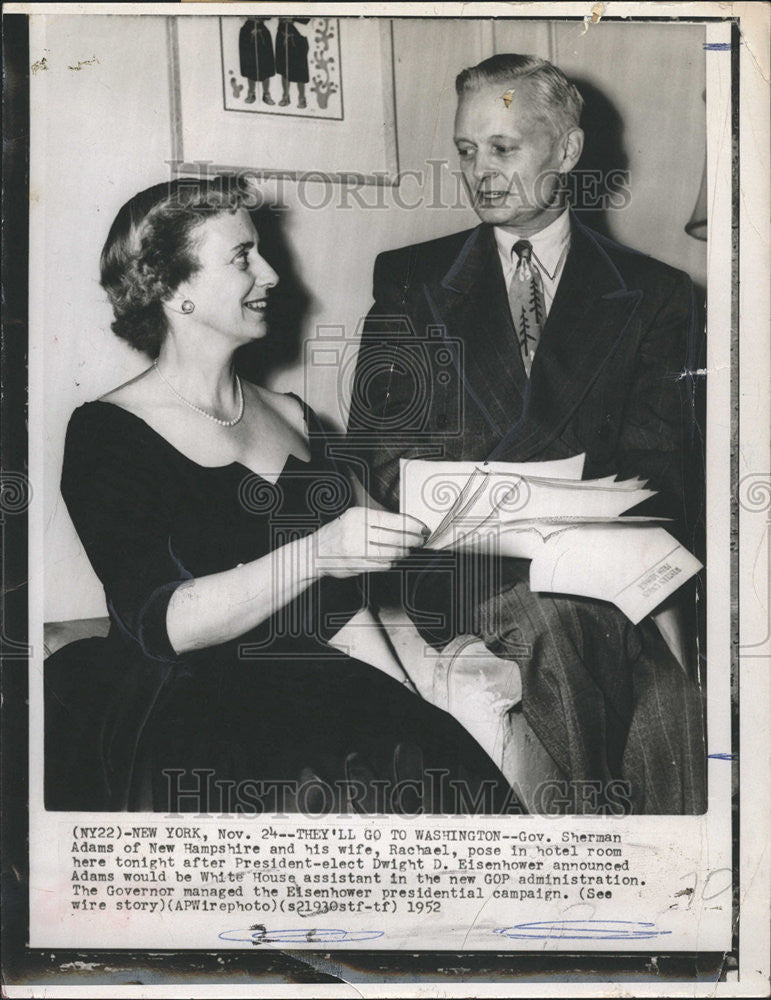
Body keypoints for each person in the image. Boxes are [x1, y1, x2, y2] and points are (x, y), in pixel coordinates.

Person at [44, 177, 516, 815]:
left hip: (312, 679)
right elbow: (164, 624)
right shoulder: (106, 433)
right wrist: (318, 552)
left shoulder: (292, 415)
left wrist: (410, 696)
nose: (269, 273)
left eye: (261, 251)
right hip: (188, 707)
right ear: (173, 289)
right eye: (242, 257)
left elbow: (333, 606)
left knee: (435, 763)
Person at [347, 54, 707, 814]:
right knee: (557, 623)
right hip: (461, 572)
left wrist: (569, 526)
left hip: (606, 570)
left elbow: (662, 473)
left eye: (503, 148)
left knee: (669, 712)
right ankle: (575, 882)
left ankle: (668, 893)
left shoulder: (654, 295)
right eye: (467, 150)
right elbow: (382, 462)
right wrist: (542, 512)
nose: (481, 171)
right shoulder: (410, 282)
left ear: (567, 151)